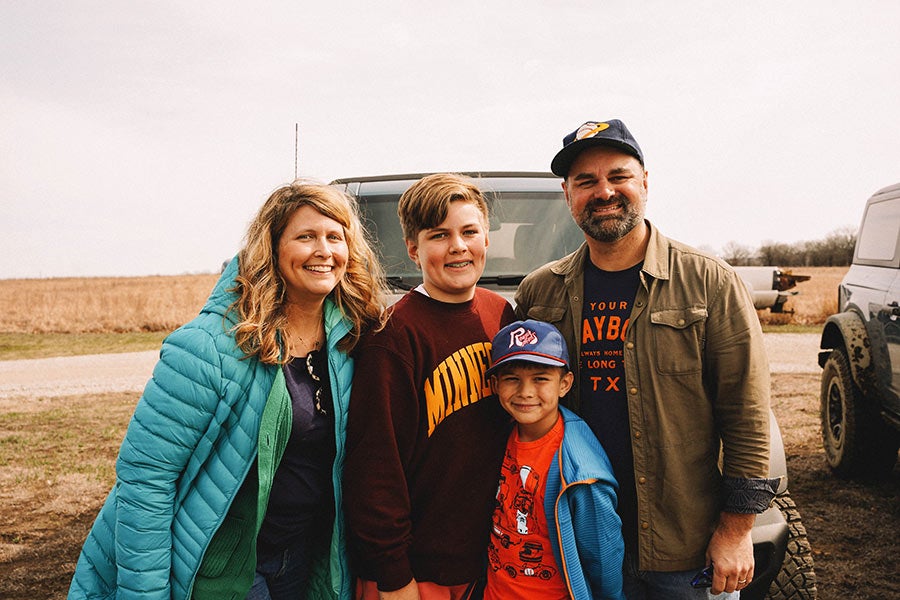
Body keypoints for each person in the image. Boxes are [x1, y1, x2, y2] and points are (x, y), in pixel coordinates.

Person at [68, 181, 388, 600]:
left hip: (303, 557)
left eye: (335, 237)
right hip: (223, 567)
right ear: (271, 249)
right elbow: (146, 482)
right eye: (305, 236)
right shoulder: (210, 348)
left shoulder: (351, 342)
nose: (324, 251)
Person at [514, 119, 779, 599]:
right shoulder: (540, 292)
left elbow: (747, 415)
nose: (604, 192)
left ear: (645, 183)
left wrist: (737, 530)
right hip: (578, 540)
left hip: (686, 547)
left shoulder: (710, 283)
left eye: (618, 176)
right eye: (586, 182)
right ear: (567, 194)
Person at [342, 173, 517, 600]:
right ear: (413, 248)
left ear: (487, 239)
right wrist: (394, 576)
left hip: (491, 558)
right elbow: (374, 468)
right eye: (439, 235)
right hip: (417, 572)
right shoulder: (394, 335)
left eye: (469, 231)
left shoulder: (502, 316)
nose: (458, 246)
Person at [483, 319, 626, 600]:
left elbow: (604, 556)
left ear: (565, 384)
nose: (525, 392)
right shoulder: (498, 435)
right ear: (495, 384)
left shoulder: (581, 472)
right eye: (512, 379)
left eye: (540, 378)